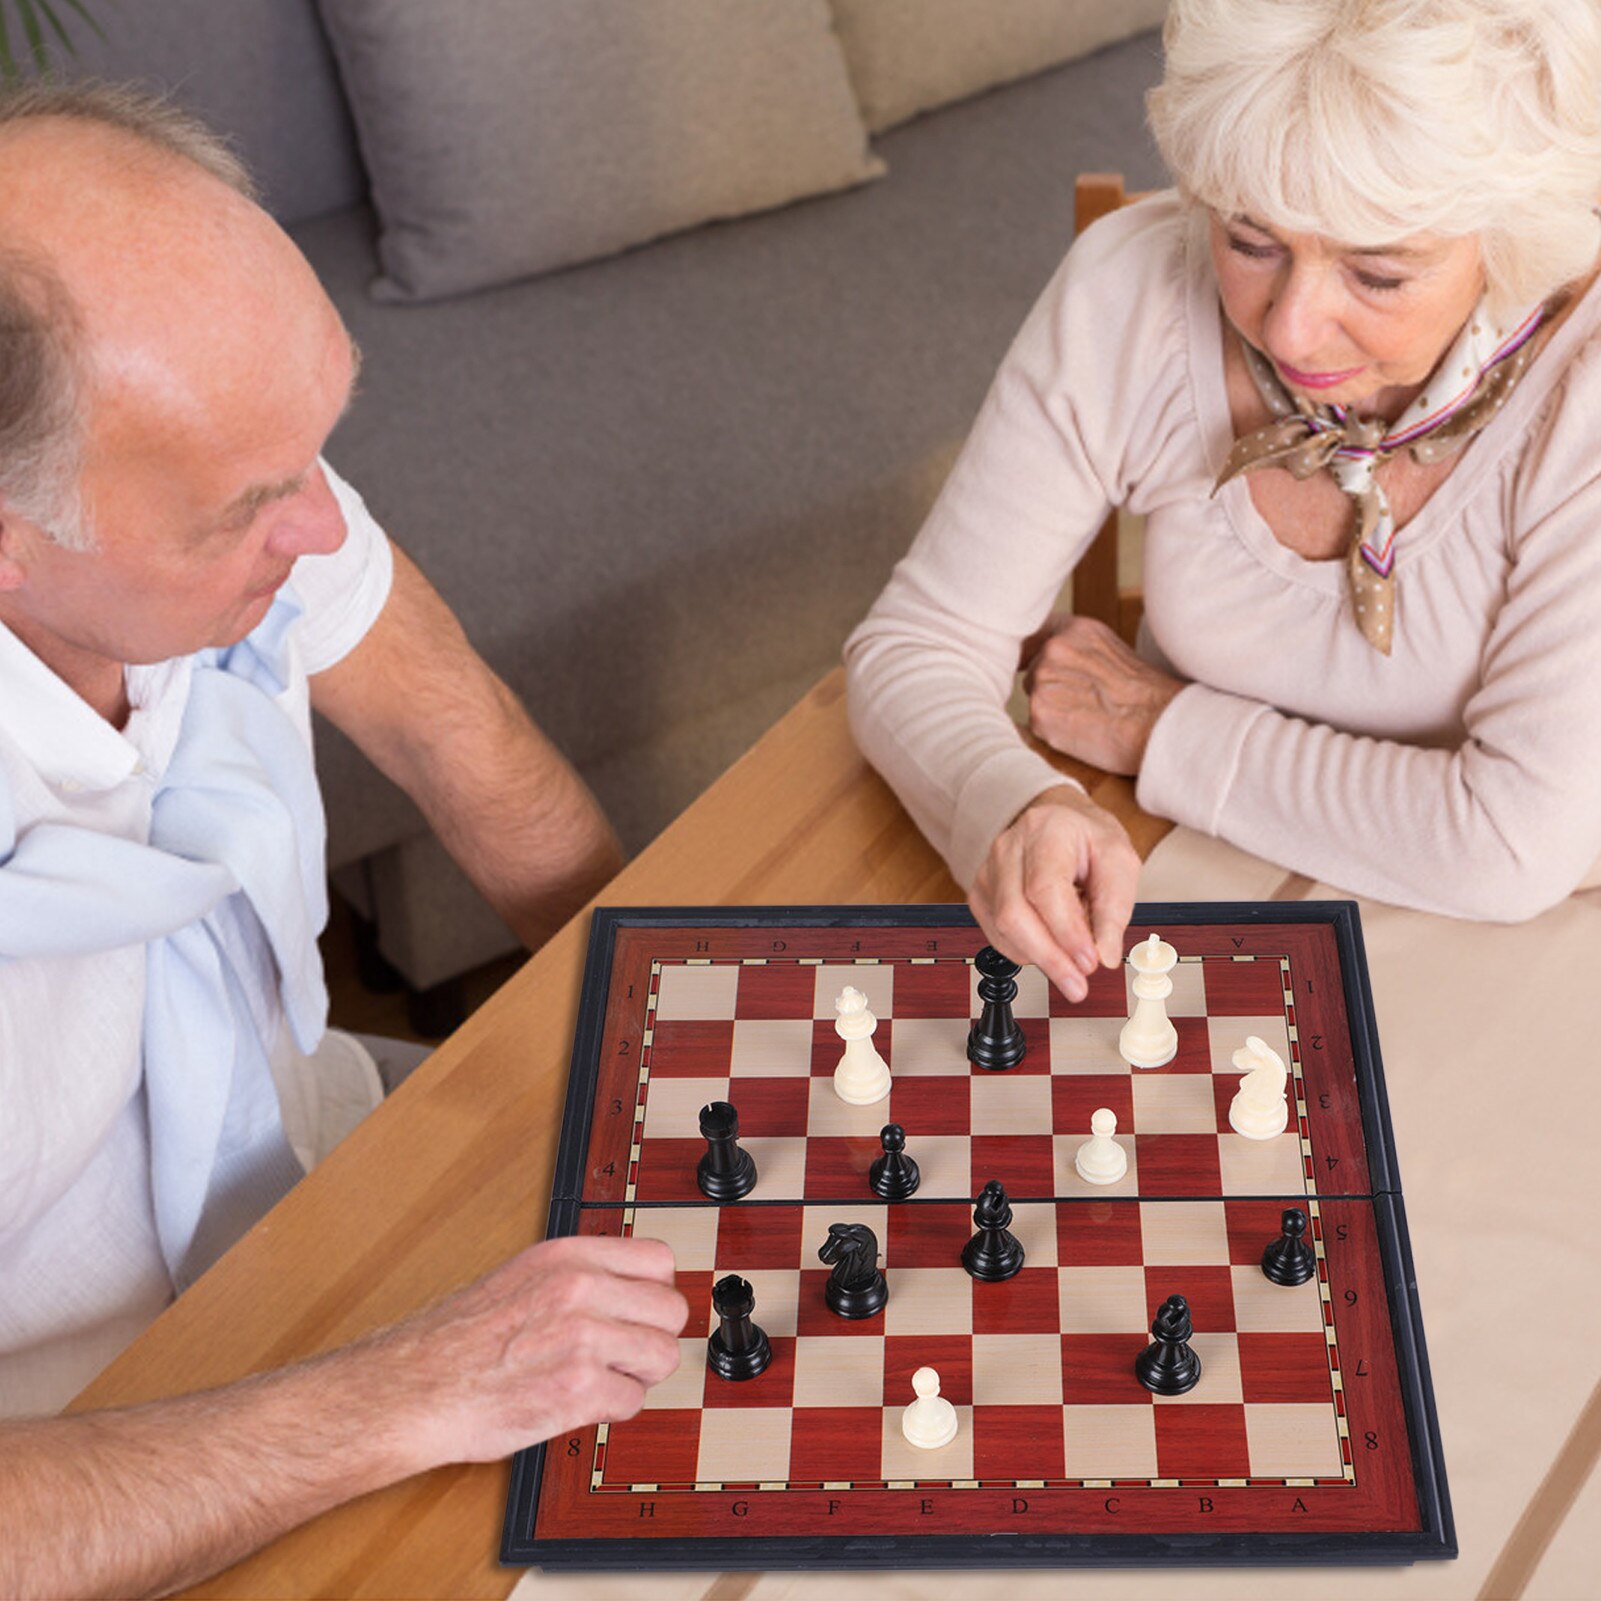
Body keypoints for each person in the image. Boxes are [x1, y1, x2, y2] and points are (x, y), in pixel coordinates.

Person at [0, 84, 687, 1595]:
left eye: (320, 447)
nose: (324, 524)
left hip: (332, 1182)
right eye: (252, 504)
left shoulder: (237, 504)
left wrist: (692, 1047)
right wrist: (412, 1392)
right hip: (90, 1465)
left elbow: (466, 744)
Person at [845, 0, 1601, 1000]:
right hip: (1193, 882)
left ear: (1512, 237)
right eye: (1250, 239)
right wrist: (1010, 801)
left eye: (1374, 273)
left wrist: (1159, 727)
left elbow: (1508, 844)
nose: (1288, 328)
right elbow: (918, 641)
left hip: (1524, 952)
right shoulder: (1132, 286)